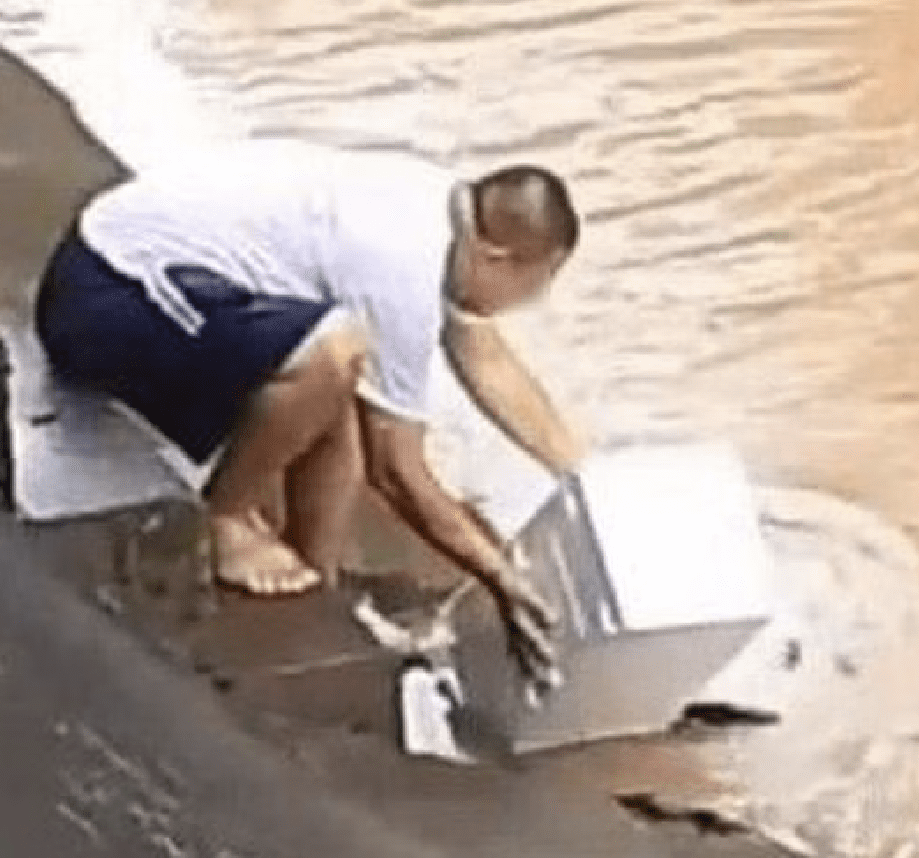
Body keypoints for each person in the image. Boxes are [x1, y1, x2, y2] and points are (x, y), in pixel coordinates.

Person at [33, 137, 585, 680]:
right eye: (536, 283)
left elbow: (482, 355)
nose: (533, 301)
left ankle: (316, 583)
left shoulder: (442, 212)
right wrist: (501, 577)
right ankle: (227, 520)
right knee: (332, 353)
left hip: (153, 278)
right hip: (99, 296)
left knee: (336, 380)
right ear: (498, 258)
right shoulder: (404, 263)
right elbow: (396, 471)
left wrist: (578, 474)